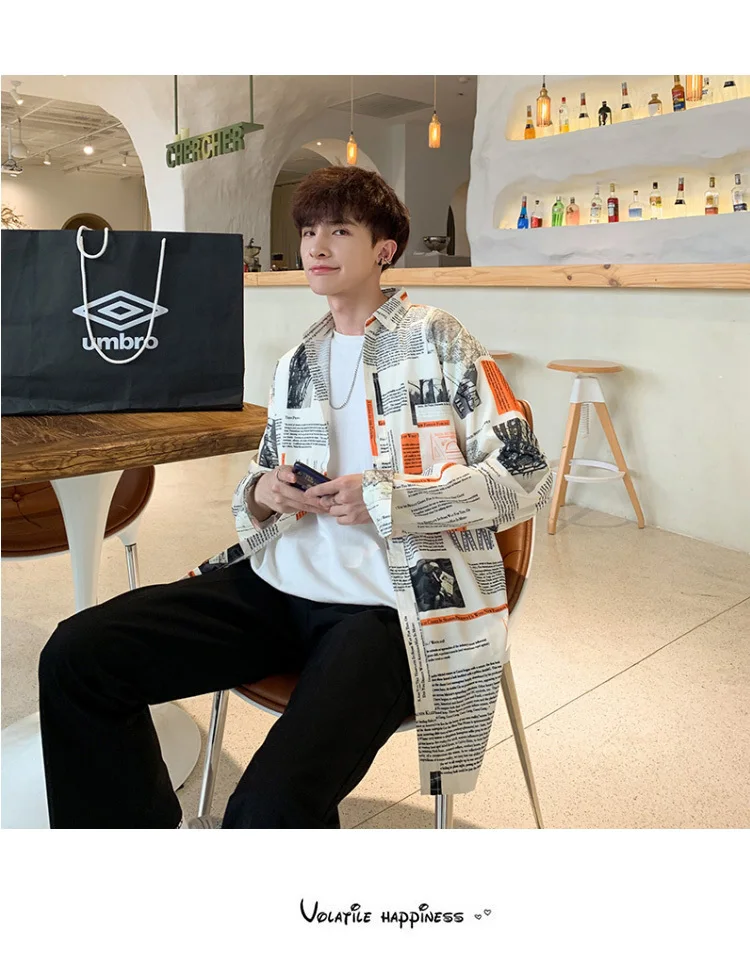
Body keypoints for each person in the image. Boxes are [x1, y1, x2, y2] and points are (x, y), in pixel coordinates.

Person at [38, 166, 552, 829]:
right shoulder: (297, 363)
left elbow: (525, 476)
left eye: (340, 230)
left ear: (384, 249)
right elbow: (256, 488)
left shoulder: (437, 340)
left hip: (392, 608)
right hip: (277, 587)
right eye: (308, 231)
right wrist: (264, 492)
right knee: (78, 656)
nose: (317, 246)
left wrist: (389, 500)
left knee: (269, 807)